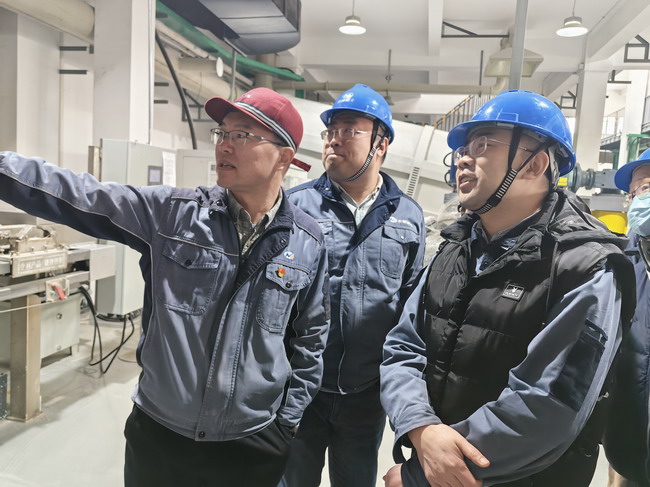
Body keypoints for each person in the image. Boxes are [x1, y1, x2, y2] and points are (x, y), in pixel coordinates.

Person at [0, 87, 330, 487]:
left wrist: (286, 421)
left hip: (252, 442)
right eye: (222, 133)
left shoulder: (306, 242)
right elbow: (81, 194)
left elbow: (310, 338)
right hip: (161, 435)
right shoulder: (171, 216)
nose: (224, 145)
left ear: (284, 157)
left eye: (242, 135)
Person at [380, 89, 636, 487]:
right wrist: (421, 427)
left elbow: (548, 407)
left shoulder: (586, 266)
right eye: (464, 148)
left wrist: (421, 476)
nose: (463, 158)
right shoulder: (454, 248)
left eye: (483, 145)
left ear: (535, 164)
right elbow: (402, 347)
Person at [280, 84, 426, 487]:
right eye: (331, 131)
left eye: (348, 130)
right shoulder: (295, 206)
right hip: (299, 387)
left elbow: (411, 308)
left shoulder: (408, 215)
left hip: (365, 394)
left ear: (381, 144)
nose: (334, 140)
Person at [603, 148, 650, 487]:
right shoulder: (622, 258)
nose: (638, 200)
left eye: (646, 188)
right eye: (634, 193)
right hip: (629, 443)